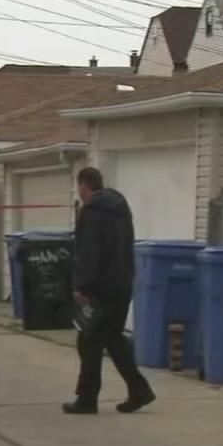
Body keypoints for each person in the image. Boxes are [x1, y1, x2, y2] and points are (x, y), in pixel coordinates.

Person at [63, 167, 155, 415]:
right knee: (114, 339)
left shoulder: (91, 213)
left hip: (99, 288)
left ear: (84, 186)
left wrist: (81, 286)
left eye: (79, 188)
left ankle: (87, 400)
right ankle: (139, 390)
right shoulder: (121, 210)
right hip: (122, 284)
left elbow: (89, 253)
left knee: (89, 341)